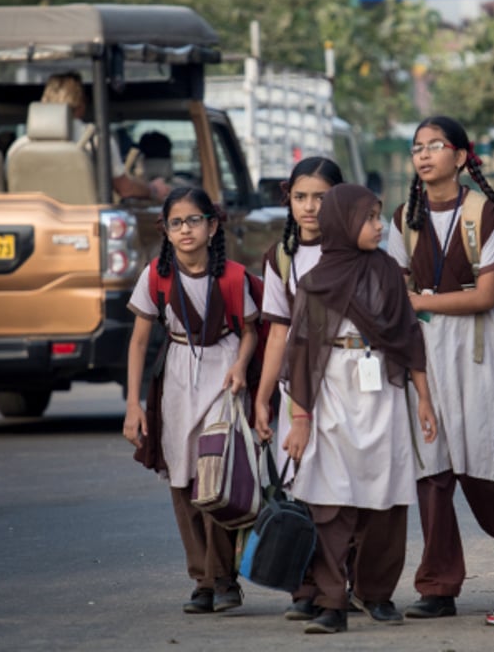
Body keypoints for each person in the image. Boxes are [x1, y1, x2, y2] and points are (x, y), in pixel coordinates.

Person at [387, 116, 494, 619]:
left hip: (475, 357)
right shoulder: (401, 218)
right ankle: (438, 587)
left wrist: (421, 300)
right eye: (417, 148)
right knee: (432, 476)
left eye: (435, 146)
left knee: (484, 471)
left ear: (460, 156)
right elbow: (396, 294)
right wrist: (413, 305)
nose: (425, 155)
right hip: (424, 359)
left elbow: (485, 296)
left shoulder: (483, 213)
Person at [281, 184, 439, 634]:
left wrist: (424, 398)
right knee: (330, 498)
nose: (378, 226)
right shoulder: (315, 281)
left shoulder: (388, 272)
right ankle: (332, 601)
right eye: (370, 218)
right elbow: (303, 356)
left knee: (385, 496)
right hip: (333, 392)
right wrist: (300, 419)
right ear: (343, 223)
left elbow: (410, 336)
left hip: (384, 391)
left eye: (379, 216)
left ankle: (376, 594)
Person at [122, 187, 258, 613]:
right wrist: (133, 404)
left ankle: (223, 578)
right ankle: (203, 580)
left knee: (215, 479)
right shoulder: (156, 276)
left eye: (194, 221)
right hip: (177, 379)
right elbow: (140, 339)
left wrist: (240, 366)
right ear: (165, 229)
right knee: (182, 480)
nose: (185, 230)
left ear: (212, 226)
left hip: (223, 377)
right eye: (176, 223)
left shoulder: (233, 276)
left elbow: (252, 330)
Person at [253, 156, 345, 622]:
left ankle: (348, 583)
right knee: (301, 481)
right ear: (288, 199)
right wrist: (264, 397)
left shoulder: (358, 250)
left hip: (351, 386)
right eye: (301, 197)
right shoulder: (280, 256)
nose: (310, 207)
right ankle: (306, 587)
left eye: (322, 198)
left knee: (346, 483)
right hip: (298, 389)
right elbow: (276, 333)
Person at [14, 73, 169, 201]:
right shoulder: (97, 142)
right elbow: (125, 189)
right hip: (86, 229)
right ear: (81, 106)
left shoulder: (18, 148)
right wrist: (153, 190)